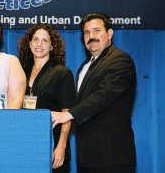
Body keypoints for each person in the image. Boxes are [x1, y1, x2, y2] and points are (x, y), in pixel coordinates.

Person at [51, 12, 137, 173]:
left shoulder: (120, 60)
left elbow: (104, 95)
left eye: (97, 30)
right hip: (87, 157)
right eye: (86, 32)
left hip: (112, 157)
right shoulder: (84, 67)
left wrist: (68, 114)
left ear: (109, 33)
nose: (91, 36)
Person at [18, 23, 75, 173]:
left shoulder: (62, 73)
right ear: (29, 44)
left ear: (51, 46)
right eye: (36, 39)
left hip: (52, 144)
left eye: (45, 40)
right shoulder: (20, 71)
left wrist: (61, 146)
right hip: (26, 144)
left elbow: (67, 113)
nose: (39, 44)